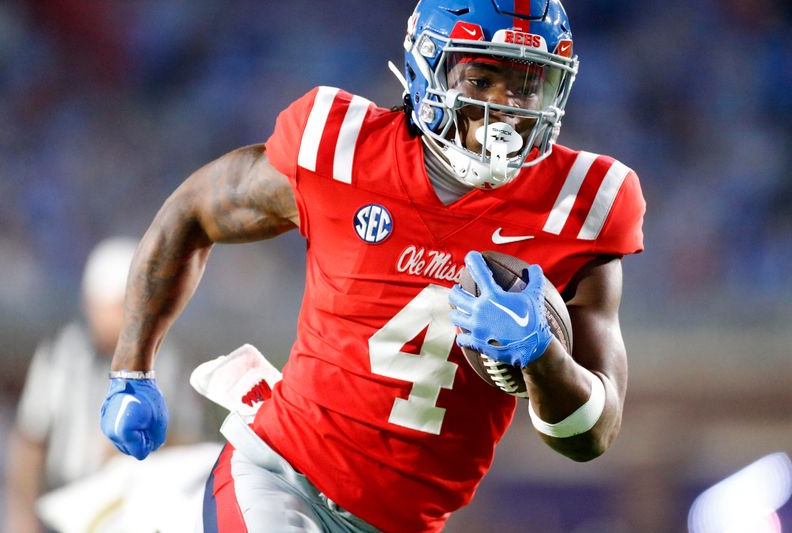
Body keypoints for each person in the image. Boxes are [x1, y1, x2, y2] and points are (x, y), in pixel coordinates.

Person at [99, 1, 645, 532]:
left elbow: (593, 435)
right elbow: (193, 211)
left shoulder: (584, 206)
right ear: (426, 69)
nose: (505, 107)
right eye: (481, 79)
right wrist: (132, 368)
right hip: (281, 478)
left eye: (528, 84)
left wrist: (540, 355)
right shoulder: (342, 149)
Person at [5, 237, 202, 533]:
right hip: (64, 509)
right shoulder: (60, 357)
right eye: (119, 304)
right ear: (92, 303)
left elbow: (191, 444)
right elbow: (30, 443)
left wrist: (146, 444)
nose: (128, 316)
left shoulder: (167, 361)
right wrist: (21, 520)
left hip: (135, 512)